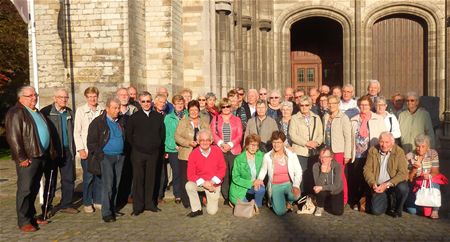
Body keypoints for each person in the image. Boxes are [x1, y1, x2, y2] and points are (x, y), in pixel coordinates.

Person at [5, 86, 54, 232]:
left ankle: (31, 216)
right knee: (25, 189)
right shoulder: (16, 112)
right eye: (30, 96)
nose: (34, 98)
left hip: (40, 155)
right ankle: (23, 221)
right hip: (28, 157)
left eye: (35, 95)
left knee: (34, 188)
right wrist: (21, 157)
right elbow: (13, 137)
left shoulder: (35, 112)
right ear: (21, 98)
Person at [126, 92, 165, 216]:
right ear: (139, 102)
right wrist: (137, 147)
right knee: (139, 179)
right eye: (143, 101)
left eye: (148, 101)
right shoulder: (134, 118)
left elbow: (162, 135)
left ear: (151, 102)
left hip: (153, 154)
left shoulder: (158, 117)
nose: (146, 104)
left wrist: (158, 148)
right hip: (138, 154)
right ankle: (138, 206)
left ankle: (150, 203)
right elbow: (129, 136)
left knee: (151, 179)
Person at [40, 89, 79, 215]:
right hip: (52, 151)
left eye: (66, 97)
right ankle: (47, 206)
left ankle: (66, 204)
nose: (64, 99)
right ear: (55, 98)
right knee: (51, 180)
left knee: (68, 179)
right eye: (61, 97)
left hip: (67, 150)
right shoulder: (46, 112)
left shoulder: (69, 112)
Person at [87, 98, 125, 223]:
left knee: (117, 184)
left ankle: (113, 208)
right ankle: (106, 212)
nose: (117, 110)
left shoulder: (121, 121)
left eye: (118, 108)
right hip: (106, 157)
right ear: (107, 108)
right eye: (114, 108)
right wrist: (100, 155)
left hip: (120, 156)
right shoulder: (98, 122)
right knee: (108, 185)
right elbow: (91, 143)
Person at [348, 96, 386, 211]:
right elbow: (349, 137)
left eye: (366, 105)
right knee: (356, 178)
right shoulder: (354, 119)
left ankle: (365, 202)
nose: (363, 107)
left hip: (371, 154)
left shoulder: (378, 119)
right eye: (361, 105)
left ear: (371, 106)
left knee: (368, 179)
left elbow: (383, 135)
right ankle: (355, 201)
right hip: (357, 154)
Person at [254, 131, 302, 216]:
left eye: (279, 142)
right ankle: (280, 201)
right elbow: (263, 170)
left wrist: (296, 185)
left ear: (283, 142)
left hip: (288, 184)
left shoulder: (291, 155)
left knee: (296, 195)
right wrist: (259, 180)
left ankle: (288, 201)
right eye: (274, 142)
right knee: (280, 212)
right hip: (275, 185)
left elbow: (298, 171)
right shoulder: (267, 156)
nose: (276, 145)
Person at [363, 132, 409, 217]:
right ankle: (387, 202)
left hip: (393, 184)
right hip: (378, 185)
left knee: (403, 188)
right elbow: (367, 169)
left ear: (392, 143)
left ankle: (397, 208)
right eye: (381, 142)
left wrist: (387, 184)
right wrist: (373, 183)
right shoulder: (373, 150)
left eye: (387, 142)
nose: (384, 145)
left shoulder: (399, 152)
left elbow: (403, 173)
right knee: (376, 211)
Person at [74, 86, 104, 213]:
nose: (93, 99)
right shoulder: (81, 111)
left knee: (99, 176)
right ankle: (87, 201)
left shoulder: (102, 110)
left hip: (100, 150)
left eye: (95, 96)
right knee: (88, 177)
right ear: (86, 98)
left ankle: (98, 200)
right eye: (90, 97)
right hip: (86, 150)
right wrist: (80, 149)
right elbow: (77, 132)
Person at [175, 100, 210, 207]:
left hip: (200, 155)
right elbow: (177, 136)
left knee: (199, 178)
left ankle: (199, 200)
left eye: (196, 109)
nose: (194, 112)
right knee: (185, 178)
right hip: (186, 154)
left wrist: (202, 143)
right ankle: (187, 201)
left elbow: (209, 136)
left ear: (199, 110)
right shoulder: (183, 122)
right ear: (188, 111)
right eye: (191, 110)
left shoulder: (204, 122)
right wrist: (188, 143)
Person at [185, 129, 226, 217]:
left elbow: (222, 169)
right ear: (198, 141)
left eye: (207, 140)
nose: (205, 142)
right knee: (189, 185)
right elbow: (190, 174)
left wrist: (212, 182)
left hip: (213, 184)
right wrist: (204, 183)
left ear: (211, 141)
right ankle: (197, 209)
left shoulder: (217, 151)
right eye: (202, 140)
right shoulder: (193, 154)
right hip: (201, 183)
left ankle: (207, 198)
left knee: (212, 212)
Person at [210, 97, 243, 205]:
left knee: (233, 173)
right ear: (220, 108)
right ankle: (226, 196)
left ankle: (234, 195)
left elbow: (240, 135)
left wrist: (230, 144)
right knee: (223, 174)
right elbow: (213, 133)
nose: (225, 108)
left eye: (227, 106)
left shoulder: (237, 119)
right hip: (220, 150)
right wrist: (221, 144)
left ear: (231, 107)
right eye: (223, 107)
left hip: (234, 150)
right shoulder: (215, 119)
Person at [289, 95, 323, 195]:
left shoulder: (316, 118)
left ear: (310, 106)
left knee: (312, 175)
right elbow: (292, 135)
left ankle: (311, 197)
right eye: (302, 105)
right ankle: (301, 197)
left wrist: (316, 142)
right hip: (300, 151)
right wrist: (306, 143)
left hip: (313, 151)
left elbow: (320, 134)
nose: (304, 107)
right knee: (301, 175)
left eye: (306, 105)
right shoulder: (294, 118)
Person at [322, 95, 352, 205]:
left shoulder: (343, 118)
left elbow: (348, 137)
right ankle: (332, 197)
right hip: (328, 151)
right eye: (329, 103)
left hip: (339, 151)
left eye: (334, 103)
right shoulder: (326, 117)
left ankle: (344, 198)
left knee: (340, 175)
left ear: (338, 104)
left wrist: (347, 154)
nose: (331, 105)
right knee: (329, 174)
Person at [405, 134, 443, 219]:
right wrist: (415, 168)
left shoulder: (433, 153)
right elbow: (409, 178)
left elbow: (435, 171)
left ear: (428, 147)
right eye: (418, 146)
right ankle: (423, 205)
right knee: (412, 211)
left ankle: (435, 209)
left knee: (435, 181)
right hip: (415, 183)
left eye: (423, 146)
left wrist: (429, 175)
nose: (420, 149)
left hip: (429, 181)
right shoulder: (410, 156)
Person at [229, 134, 266, 208]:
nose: (253, 147)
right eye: (251, 144)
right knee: (244, 207)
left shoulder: (261, 155)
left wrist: (257, 182)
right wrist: (252, 183)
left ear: (258, 147)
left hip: (255, 185)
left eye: (255, 145)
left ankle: (257, 206)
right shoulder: (239, 159)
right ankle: (234, 202)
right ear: (247, 145)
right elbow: (235, 178)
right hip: (241, 187)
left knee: (261, 190)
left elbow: (271, 155)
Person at [115, 87, 137, 207]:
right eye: (121, 95)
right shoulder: (114, 110)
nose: (124, 97)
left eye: (126, 95)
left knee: (130, 171)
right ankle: (118, 196)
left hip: (131, 146)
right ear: (117, 96)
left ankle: (129, 195)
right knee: (119, 172)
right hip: (118, 146)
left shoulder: (134, 110)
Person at [164, 95, 187, 204]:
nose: (179, 105)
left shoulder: (187, 115)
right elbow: (167, 135)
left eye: (181, 103)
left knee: (186, 172)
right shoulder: (168, 118)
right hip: (174, 149)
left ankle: (186, 193)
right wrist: (174, 145)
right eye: (177, 104)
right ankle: (177, 194)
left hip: (186, 148)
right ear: (173, 105)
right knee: (177, 172)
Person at [312, 148, 344, 216]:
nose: (323, 159)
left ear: (331, 158)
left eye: (326, 157)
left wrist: (322, 188)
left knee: (338, 212)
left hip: (336, 191)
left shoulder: (337, 166)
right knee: (318, 189)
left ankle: (328, 202)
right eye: (321, 157)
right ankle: (320, 206)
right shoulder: (316, 166)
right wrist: (323, 173)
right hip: (323, 191)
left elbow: (336, 185)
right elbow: (317, 185)